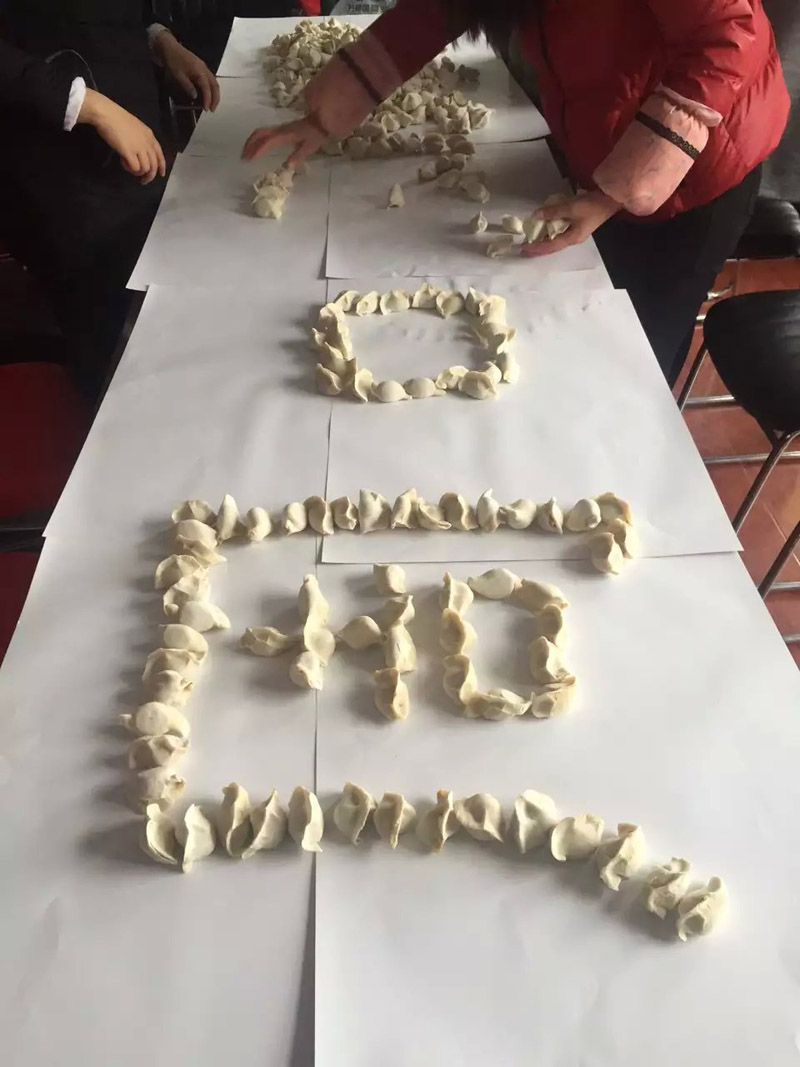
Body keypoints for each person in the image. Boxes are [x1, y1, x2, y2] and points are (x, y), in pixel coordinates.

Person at [243, 0, 789, 385]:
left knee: (633, 357)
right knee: (570, 340)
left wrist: (615, 191)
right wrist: (325, 115)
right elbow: (434, 11)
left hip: (697, 171)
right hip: (603, 147)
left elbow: (726, 39)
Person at [0, 2, 220, 399]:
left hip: (132, 142)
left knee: (169, 313)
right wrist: (86, 104)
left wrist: (160, 40)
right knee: (110, 347)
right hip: (61, 171)